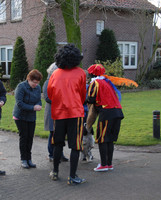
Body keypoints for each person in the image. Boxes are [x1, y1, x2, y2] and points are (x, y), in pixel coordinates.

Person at [47, 44, 87, 185]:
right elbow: (83, 95)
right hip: (75, 113)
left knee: (58, 144)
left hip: (58, 114)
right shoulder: (81, 73)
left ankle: (55, 172)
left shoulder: (55, 74)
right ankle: (72, 176)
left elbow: (50, 94)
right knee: (75, 146)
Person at [86, 64, 124, 172]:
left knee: (102, 139)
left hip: (107, 112)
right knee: (109, 139)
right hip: (117, 112)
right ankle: (109, 163)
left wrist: (84, 101)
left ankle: (103, 164)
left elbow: (91, 99)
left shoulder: (95, 82)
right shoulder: (107, 82)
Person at [13, 69, 43, 169]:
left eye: (37, 82)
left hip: (31, 116)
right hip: (20, 116)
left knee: (30, 137)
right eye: (34, 82)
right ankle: (23, 159)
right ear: (29, 79)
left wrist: (39, 105)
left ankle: (29, 159)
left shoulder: (38, 88)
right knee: (24, 137)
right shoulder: (21, 87)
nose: (36, 84)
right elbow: (19, 103)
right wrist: (32, 108)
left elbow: (39, 100)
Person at [42, 63, 68, 162]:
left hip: (60, 111)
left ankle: (59, 153)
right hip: (51, 112)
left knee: (60, 133)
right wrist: (61, 101)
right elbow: (47, 98)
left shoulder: (60, 81)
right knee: (53, 133)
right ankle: (51, 154)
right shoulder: (47, 82)